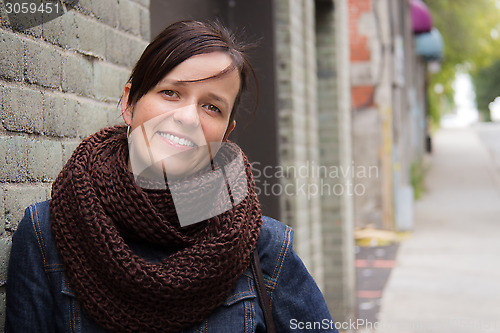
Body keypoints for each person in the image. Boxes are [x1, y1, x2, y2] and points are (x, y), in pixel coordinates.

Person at [5, 20, 338, 333]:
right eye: (171, 93)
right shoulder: (47, 231)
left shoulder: (264, 246)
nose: (187, 117)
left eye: (212, 107)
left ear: (226, 133)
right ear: (129, 102)